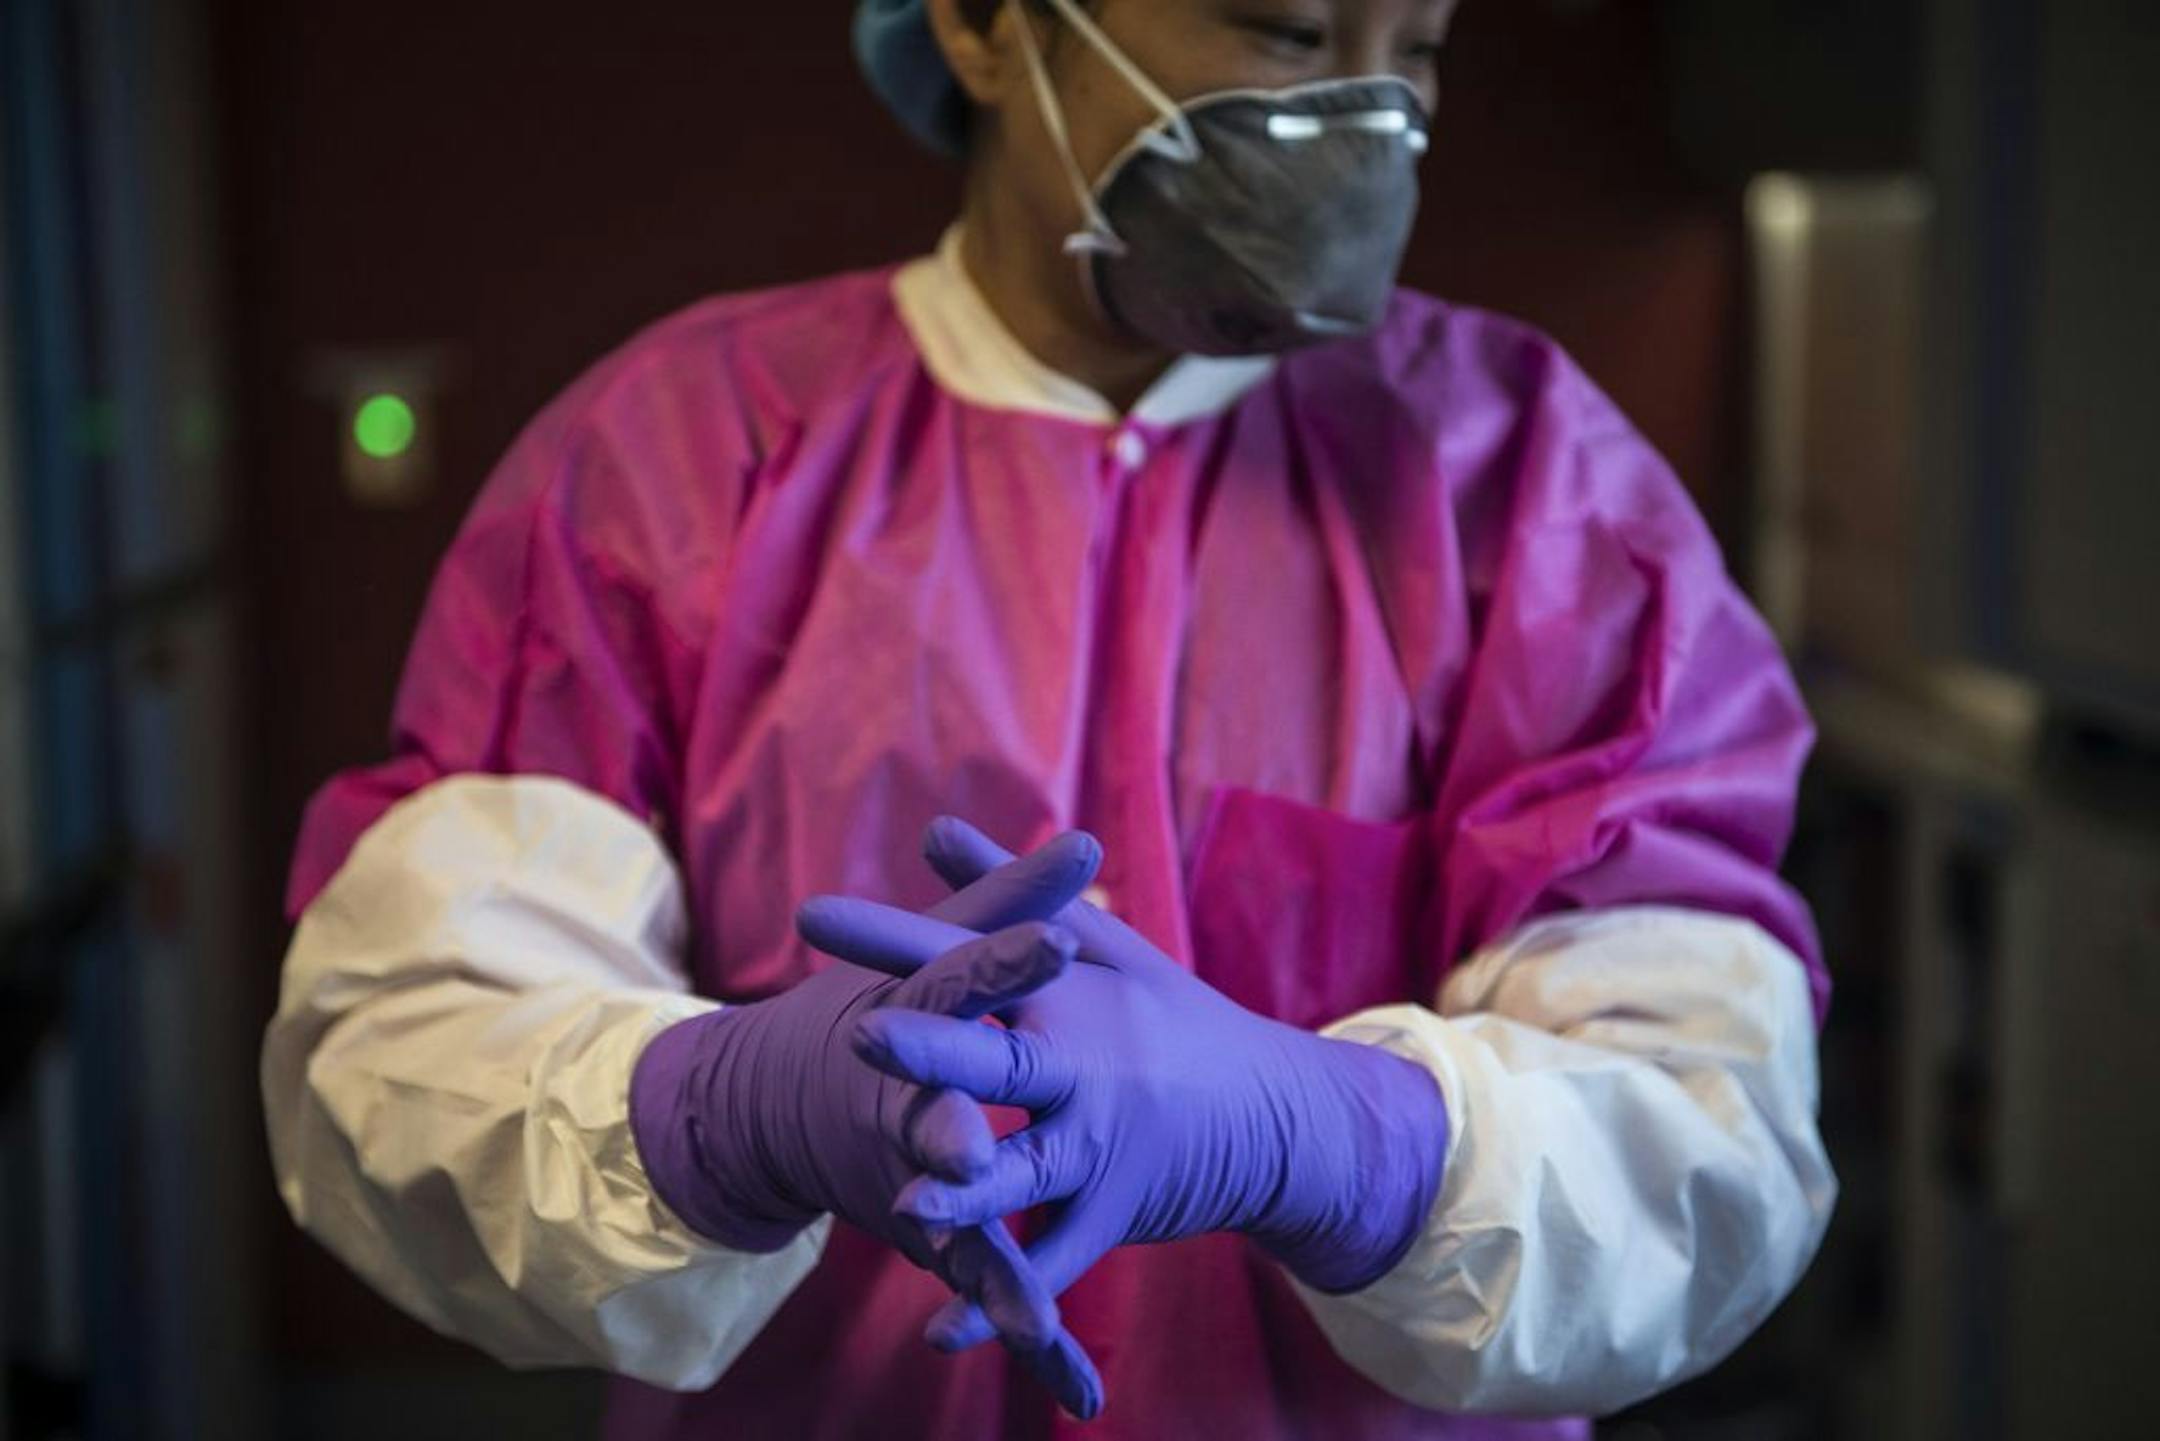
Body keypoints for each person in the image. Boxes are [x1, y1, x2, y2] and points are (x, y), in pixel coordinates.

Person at [261, 1, 1838, 1436]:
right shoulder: (676, 467)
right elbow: (402, 1041)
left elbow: (1706, 1133)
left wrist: (1350, 1143)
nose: (1365, 114)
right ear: (983, 25)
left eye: (1415, 50)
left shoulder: (1532, 494)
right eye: (1288, 35)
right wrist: (714, 1118)